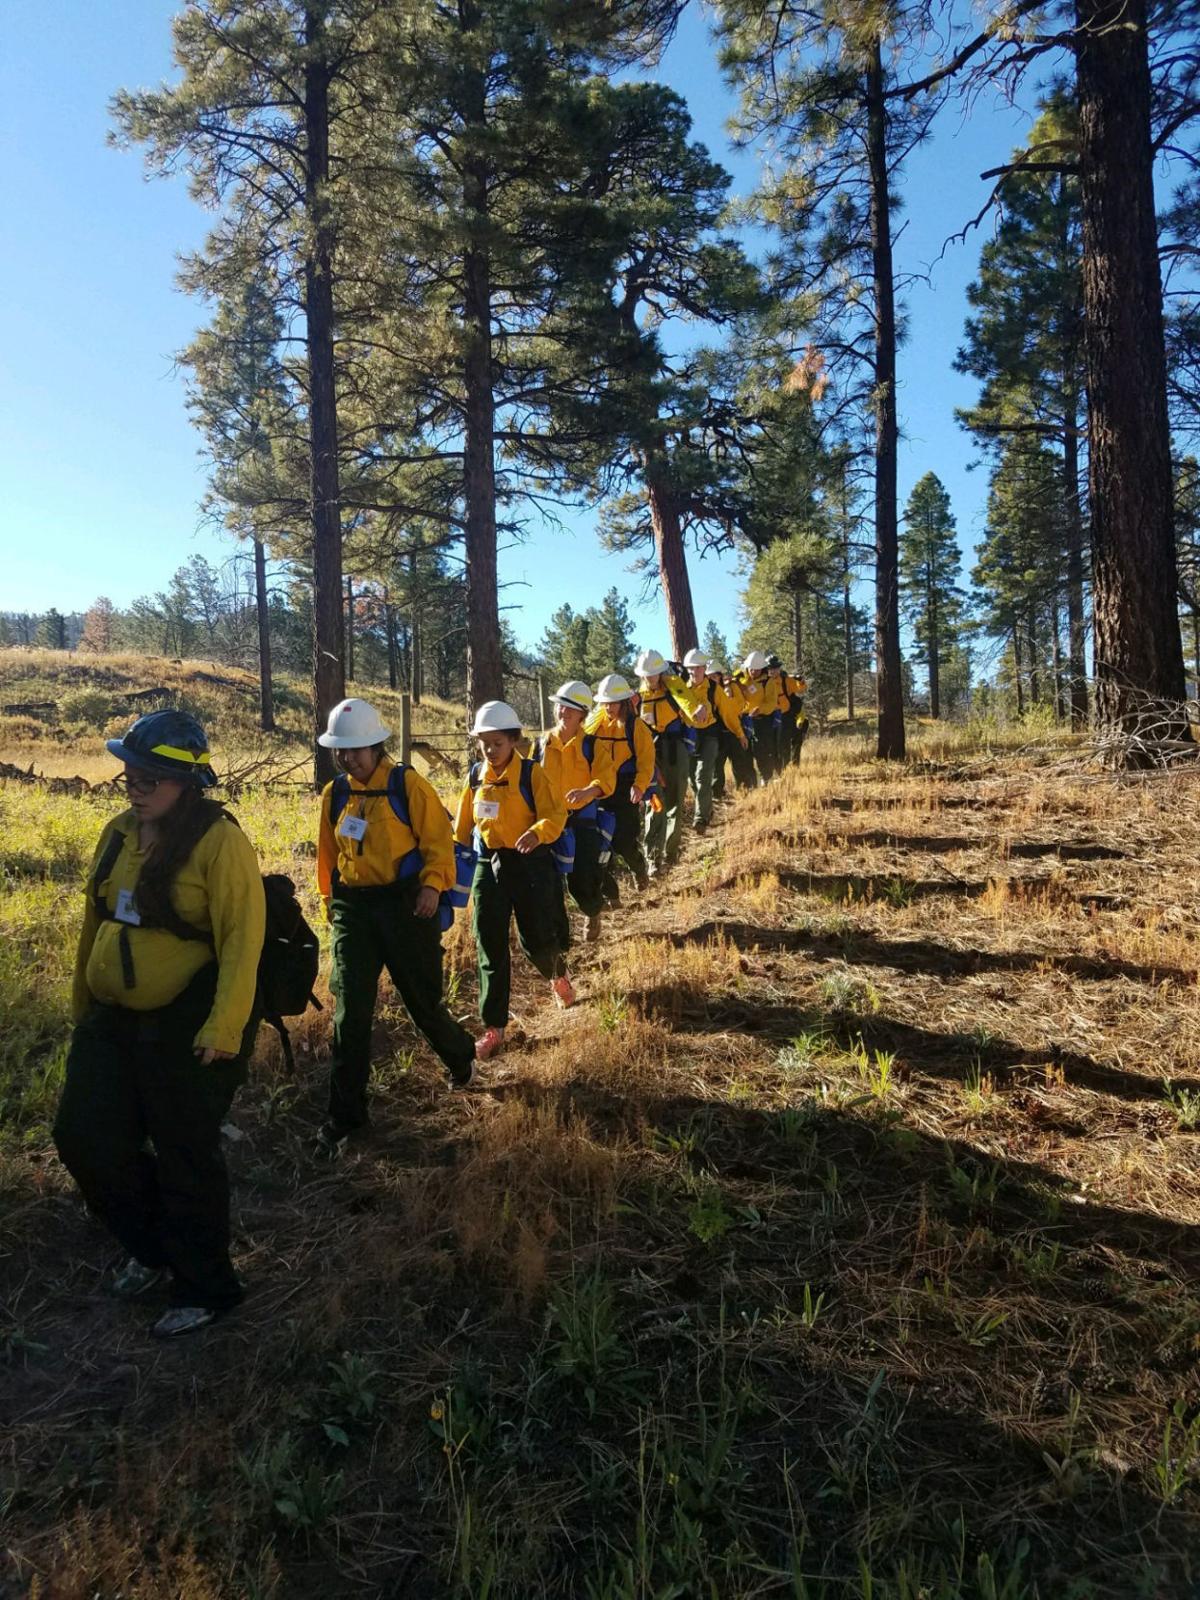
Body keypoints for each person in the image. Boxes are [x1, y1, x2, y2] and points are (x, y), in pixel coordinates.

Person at [53, 710, 265, 1339]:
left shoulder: (219, 841)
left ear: (187, 782)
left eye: (150, 780)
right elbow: (96, 922)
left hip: (185, 1023)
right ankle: (152, 1249)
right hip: (110, 1019)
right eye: (130, 777)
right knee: (83, 1138)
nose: (135, 790)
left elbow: (242, 941)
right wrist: (82, 1001)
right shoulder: (118, 832)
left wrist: (224, 1028)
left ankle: (206, 1287)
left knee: (183, 1152)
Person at [315, 698, 477, 1154]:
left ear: (375, 745)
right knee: (350, 1012)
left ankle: (461, 1057)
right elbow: (327, 855)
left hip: (406, 907)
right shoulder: (335, 794)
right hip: (353, 910)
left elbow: (438, 843)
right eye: (341, 750)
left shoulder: (408, 785)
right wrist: (330, 903)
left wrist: (432, 886)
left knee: (423, 1003)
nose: (348, 758)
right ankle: (345, 1116)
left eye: (356, 749)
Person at [454, 700, 572, 1062]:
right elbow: (462, 828)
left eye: (498, 743)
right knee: (488, 942)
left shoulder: (532, 774)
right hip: (488, 864)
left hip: (529, 863)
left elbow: (556, 813)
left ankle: (557, 974)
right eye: (484, 743)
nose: (490, 750)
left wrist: (538, 832)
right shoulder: (475, 776)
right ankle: (494, 1028)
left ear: (513, 741)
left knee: (534, 938)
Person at [536, 680, 616, 943]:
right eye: (561, 706)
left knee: (581, 882)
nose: (563, 712)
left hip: (581, 822)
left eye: (570, 708)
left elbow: (607, 778)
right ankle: (558, 941)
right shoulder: (541, 744)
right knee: (548, 885)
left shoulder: (592, 745)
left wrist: (588, 792)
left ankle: (592, 911)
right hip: (548, 823)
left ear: (582, 714)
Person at [585, 673, 656, 903]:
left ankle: (639, 868)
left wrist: (639, 786)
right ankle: (611, 895)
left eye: (613, 703)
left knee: (624, 841)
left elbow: (646, 762)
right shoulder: (595, 725)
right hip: (600, 789)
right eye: (605, 703)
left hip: (626, 789)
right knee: (601, 844)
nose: (608, 707)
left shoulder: (636, 727)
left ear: (624, 702)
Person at [635, 649, 703, 876]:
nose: (650, 678)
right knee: (654, 803)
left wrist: (697, 711)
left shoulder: (675, 693)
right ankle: (653, 859)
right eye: (647, 674)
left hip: (676, 752)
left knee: (675, 802)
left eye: (654, 673)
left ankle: (671, 852)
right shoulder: (637, 699)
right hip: (651, 755)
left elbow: (691, 711)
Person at [682, 648, 746, 830]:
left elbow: (728, 713)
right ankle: (707, 808)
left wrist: (740, 733)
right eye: (691, 668)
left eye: (698, 668)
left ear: (704, 668)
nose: (694, 671)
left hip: (710, 736)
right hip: (689, 738)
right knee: (692, 779)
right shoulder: (682, 690)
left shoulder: (714, 689)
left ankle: (700, 819)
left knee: (703, 776)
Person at [735, 650, 780, 784]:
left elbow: (771, 702)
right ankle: (750, 782)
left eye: (757, 669)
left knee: (762, 751)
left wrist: (760, 709)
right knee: (745, 752)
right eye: (751, 669)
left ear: (762, 669)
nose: (753, 672)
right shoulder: (740, 679)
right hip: (744, 719)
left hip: (762, 720)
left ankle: (766, 778)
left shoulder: (768, 682)